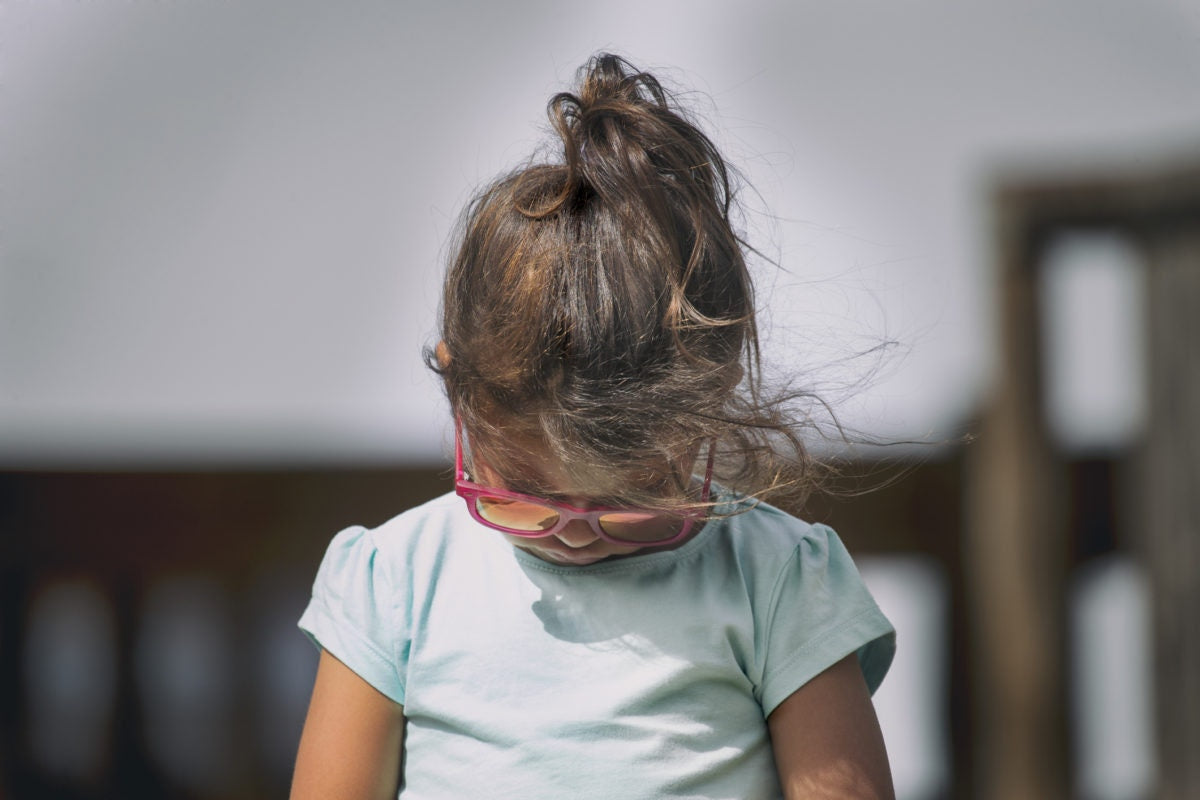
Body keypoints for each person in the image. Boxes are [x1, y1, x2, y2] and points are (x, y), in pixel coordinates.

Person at [290, 53, 896, 800]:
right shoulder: (396, 583)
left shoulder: (777, 580)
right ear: (457, 389)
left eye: (632, 495)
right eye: (526, 491)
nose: (576, 531)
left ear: (713, 400)